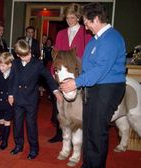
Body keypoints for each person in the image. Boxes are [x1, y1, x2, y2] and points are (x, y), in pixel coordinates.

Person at [60, 3, 126, 168]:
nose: (86, 27)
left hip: (107, 88)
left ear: (96, 19)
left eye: (87, 22)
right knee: (88, 130)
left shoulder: (111, 38)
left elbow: (100, 70)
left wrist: (75, 83)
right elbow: (87, 67)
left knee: (96, 133)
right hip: (93, 88)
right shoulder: (96, 40)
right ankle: (87, 164)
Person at [8, 39, 63, 160]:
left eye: (28, 54)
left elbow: (48, 77)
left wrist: (55, 91)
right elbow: (12, 80)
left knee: (31, 124)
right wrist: (10, 95)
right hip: (17, 98)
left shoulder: (37, 63)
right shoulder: (15, 64)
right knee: (17, 124)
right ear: (17, 55)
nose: (28, 57)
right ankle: (18, 145)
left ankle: (34, 149)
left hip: (31, 100)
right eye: (24, 56)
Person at [48, 3, 92, 143]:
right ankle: (60, 133)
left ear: (78, 17)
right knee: (60, 104)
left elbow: (87, 56)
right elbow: (56, 55)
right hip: (62, 73)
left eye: (72, 17)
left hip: (77, 74)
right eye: (67, 18)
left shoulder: (86, 33)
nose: (69, 20)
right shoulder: (61, 33)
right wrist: (53, 72)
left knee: (77, 107)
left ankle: (79, 135)